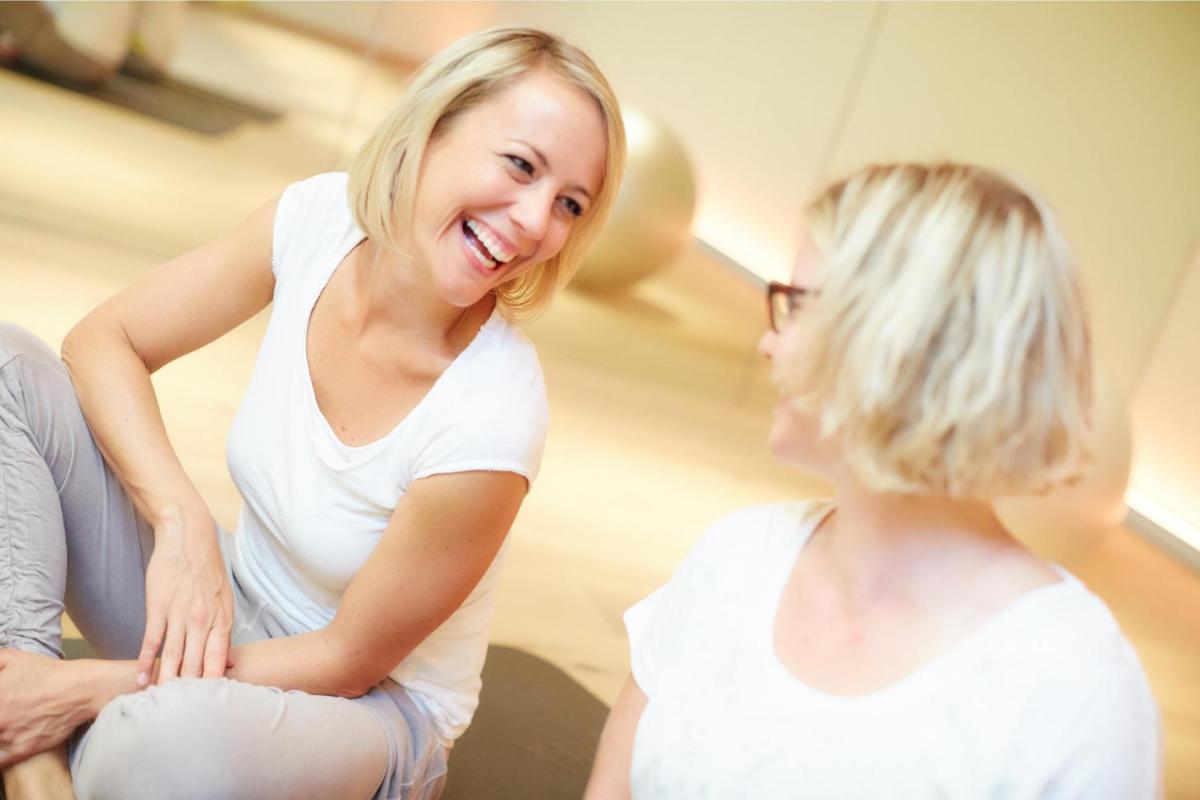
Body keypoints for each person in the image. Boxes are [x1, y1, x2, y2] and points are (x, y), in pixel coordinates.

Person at [0, 25, 624, 800]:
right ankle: (22, 723)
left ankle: (45, 717)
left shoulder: (494, 416)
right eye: (521, 165)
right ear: (434, 128)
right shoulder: (316, 220)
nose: (534, 222)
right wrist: (182, 521)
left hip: (363, 709)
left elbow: (346, 658)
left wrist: (97, 687)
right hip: (227, 610)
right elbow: (104, 340)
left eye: (569, 204)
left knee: (156, 746)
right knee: (8, 370)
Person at [585, 163, 1161, 799]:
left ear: (906, 342)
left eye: (798, 306)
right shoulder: (736, 555)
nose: (769, 344)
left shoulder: (1073, 689)